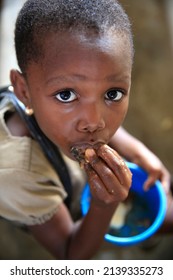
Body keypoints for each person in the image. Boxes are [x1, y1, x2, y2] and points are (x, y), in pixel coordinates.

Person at [0, 0, 171, 259]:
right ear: (24, 91)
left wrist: (133, 150)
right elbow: (70, 254)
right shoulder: (15, 173)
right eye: (66, 95)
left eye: (112, 94)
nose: (95, 122)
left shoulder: (65, 122)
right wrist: (104, 206)